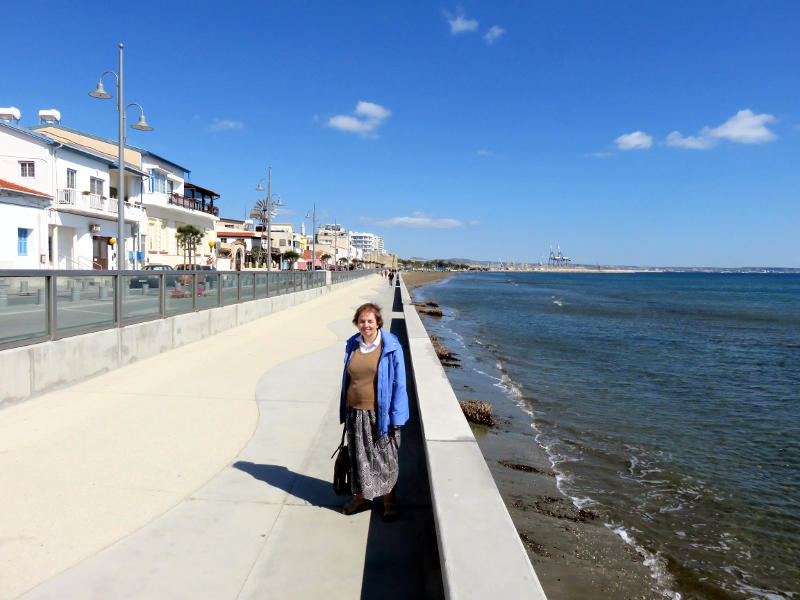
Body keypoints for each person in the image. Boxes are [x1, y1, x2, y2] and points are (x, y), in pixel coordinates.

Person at [339, 302, 409, 521]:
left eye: (370, 321)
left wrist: (397, 417)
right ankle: (361, 497)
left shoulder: (391, 345)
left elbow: (400, 384)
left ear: (378, 322)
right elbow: (348, 378)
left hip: (381, 414)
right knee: (358, 459)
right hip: (355, 412)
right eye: (362, 321)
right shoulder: (353, 344)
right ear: (357, 323)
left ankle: (389, 500)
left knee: (384, 459)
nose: (366, 325)